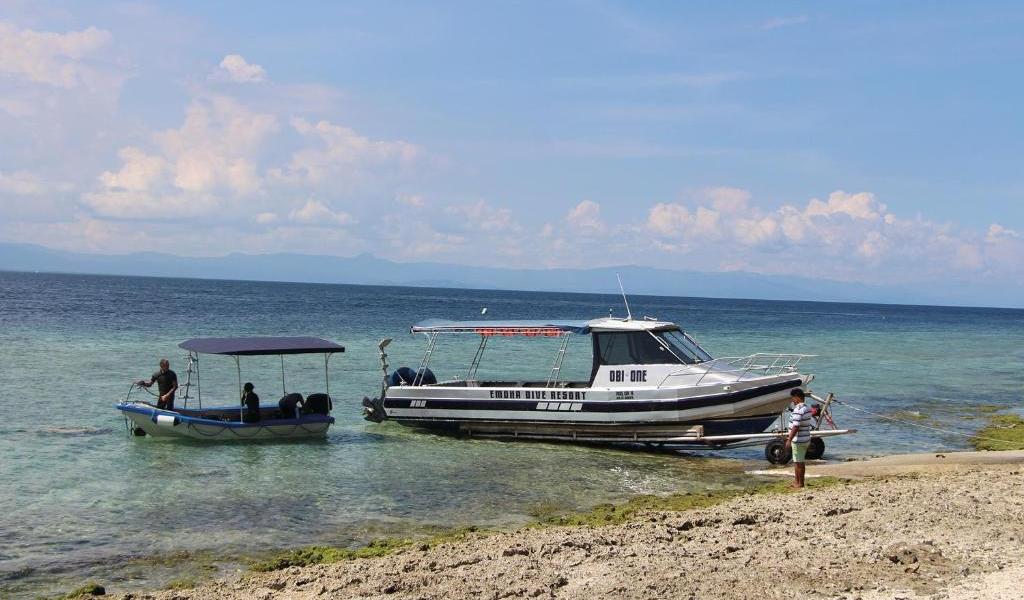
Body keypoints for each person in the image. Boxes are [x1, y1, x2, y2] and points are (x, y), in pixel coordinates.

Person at [784, 388, 813, 488]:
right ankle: (797, 481)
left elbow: (796, 426)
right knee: (798, 461)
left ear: (797, 398)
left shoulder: (798, 409)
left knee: (798, 462)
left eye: (793, 398)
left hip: (798, 440)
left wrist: (789, 439)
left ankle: (800, 483)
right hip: (805, 438)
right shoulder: (808, 408)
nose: (792, 401)